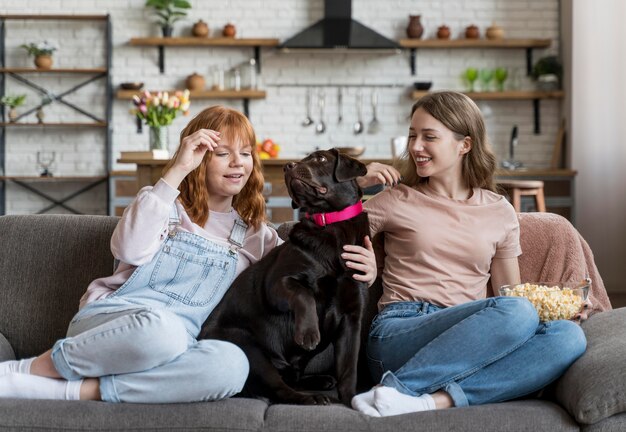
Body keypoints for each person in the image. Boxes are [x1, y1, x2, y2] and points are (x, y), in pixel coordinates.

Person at [0, 105, 380, 403]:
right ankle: (33, 368)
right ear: (198, 157)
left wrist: (368, 269)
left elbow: (314, 274)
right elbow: (126, 248)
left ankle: (74, 392)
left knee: (231, 366)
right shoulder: (165, 205)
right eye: (222, 153)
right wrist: (177, 169)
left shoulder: (256, 236)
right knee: (161, 331)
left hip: (181, 344)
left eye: (246, 154)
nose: (237, 162)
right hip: (118, 324)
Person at [351, 91, 588, 417]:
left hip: (470, 343)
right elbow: (321, 233)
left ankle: (422, 400)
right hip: (400, 332)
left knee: (569, 337)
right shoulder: (397, 199)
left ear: (465, 144)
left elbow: (510, 296)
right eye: (412, 135)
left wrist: (563, 308)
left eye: (429, 137)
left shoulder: (498, 210)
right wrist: (354, 185)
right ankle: (398, 386)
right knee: (517, 311)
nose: (415, 147)